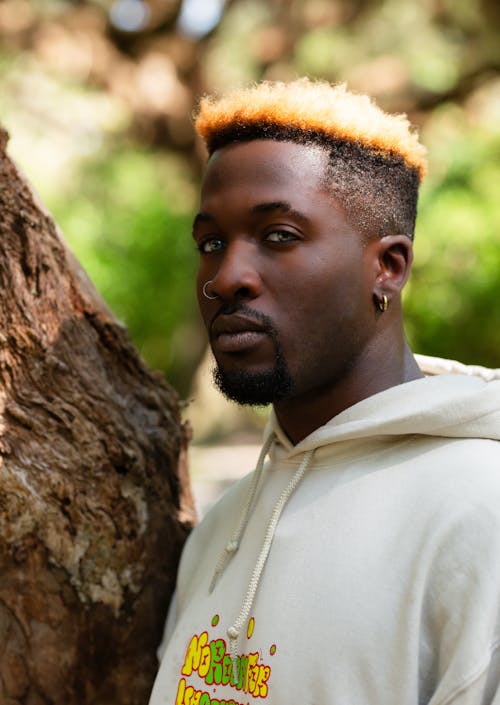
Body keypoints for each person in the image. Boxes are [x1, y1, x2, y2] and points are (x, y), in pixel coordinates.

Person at [148, 78, 500, 705]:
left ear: (386, 267)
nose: (227, 277)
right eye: (211, 242)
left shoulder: (481, 514)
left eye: (279, 235)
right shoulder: (219, 530)